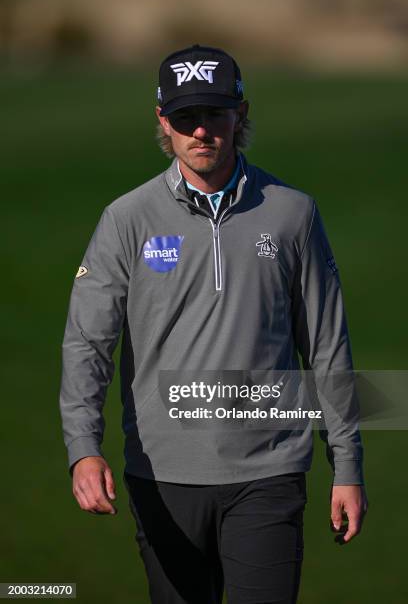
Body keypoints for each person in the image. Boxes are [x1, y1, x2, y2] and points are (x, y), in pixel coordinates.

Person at [59, 44, 368, 604]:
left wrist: (346, 466)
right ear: (163, 122)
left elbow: (326, 345)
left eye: (214, 114)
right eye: (185, 118)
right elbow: (88, 343)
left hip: (270, 471)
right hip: (163, 475)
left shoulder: (293, 213)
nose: (201, 132)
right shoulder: (126, 220)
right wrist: (83, 448)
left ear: (240, 114)